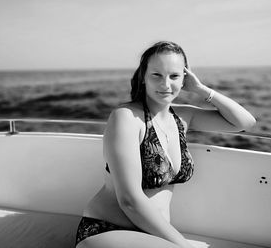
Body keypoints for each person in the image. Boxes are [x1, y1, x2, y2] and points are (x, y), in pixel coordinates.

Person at [74, 41, 256, 248]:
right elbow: (129, 201)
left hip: (154, 238)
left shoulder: (183, 117)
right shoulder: (126, 118)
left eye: (174, 76)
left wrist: (201, 89)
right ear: (143, 77)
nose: (166, 85)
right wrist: (185, 246)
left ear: (185, 78)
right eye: (157, 75)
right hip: (109, 230)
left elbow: (244, 123)